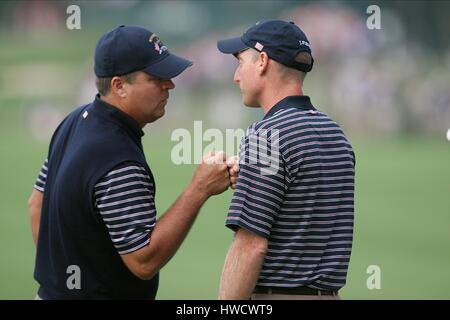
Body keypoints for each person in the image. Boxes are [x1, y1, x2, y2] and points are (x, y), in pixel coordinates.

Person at [28, 25, 235, 299]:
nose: (170, 84)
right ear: (119, 86)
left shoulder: (74, 121)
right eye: (156, 78)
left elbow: (36, 205)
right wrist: (199, 188)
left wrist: (62, 280)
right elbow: (143, 261)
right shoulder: (118, 158)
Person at [217, 20, 356, 300]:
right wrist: (254, 176)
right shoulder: (336, 134)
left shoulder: (265, 135)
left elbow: (250, 246)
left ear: (263, 62)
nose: (236, 76)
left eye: (240, 62)